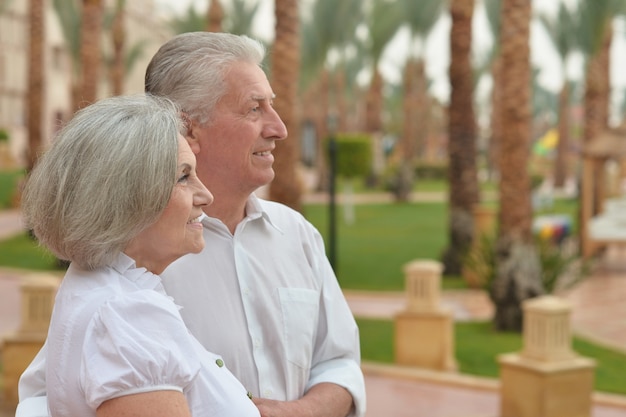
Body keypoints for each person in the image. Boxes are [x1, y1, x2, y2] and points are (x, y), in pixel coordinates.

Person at [19, 32, 366, 417]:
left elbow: (340, 362)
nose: (279, 128)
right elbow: (49, 397)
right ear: (188, 128)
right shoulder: (127, 267)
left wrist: (303, 411)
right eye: (254, 109)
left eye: (273, 106)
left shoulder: (297, 235)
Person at [19, 94, 261, 417]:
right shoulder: (128, 316)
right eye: (184, 177)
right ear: (128, 200)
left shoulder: (100, 285)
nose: (206, 195)